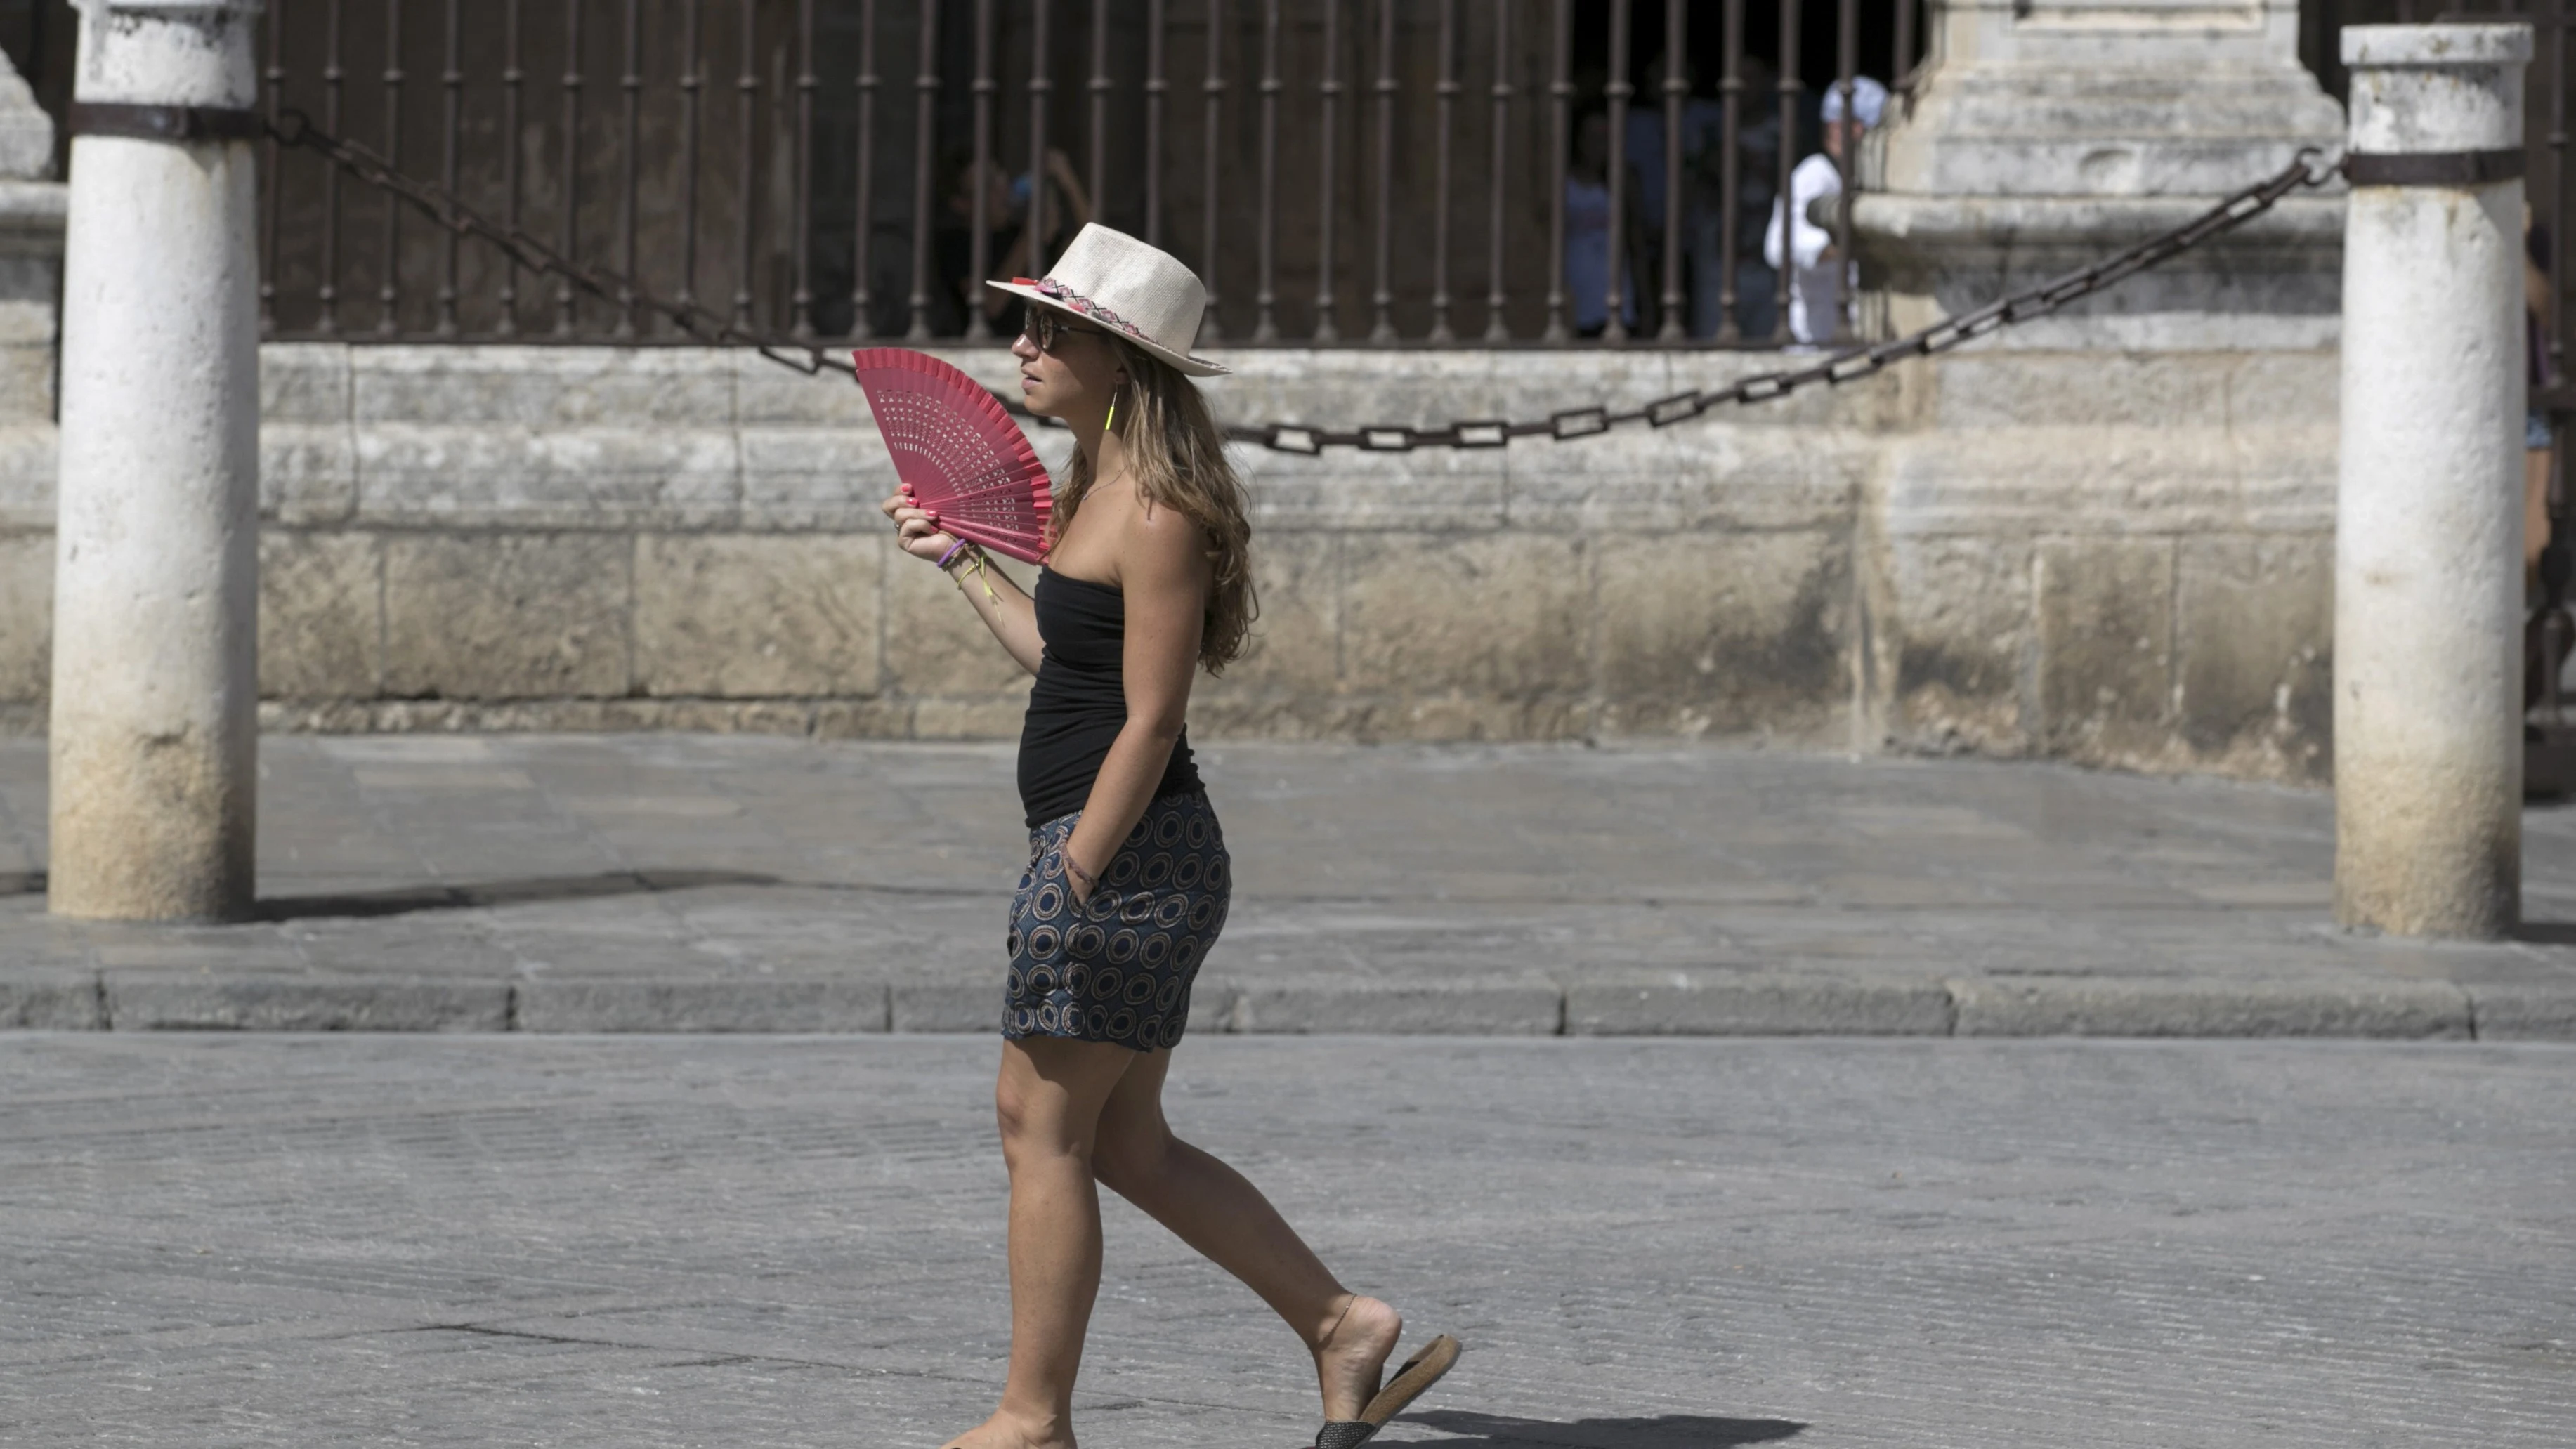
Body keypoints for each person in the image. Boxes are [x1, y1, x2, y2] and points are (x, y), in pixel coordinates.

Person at [881, 223, 1460, 1449]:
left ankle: (1033, 1417)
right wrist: (964, 564)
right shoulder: (1096, 481)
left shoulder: (1156, 509)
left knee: (1036, 1123)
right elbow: (1068, 667)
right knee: (1128, 1141)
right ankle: (1342, 1321)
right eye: (1028, 324)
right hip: (1117, 850)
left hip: (1131, 858)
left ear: (1116, 358)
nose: (1023, 346)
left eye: (1051, 331)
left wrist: (1074, 870)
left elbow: (1150, 719)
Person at [1763, 74, 1888, 346]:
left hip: (1862, 336)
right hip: (1816, 340)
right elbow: (1778, 246)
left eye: (1855, 123)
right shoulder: (1815, 174)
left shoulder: (1872, 178)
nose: (1839, 130)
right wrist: (1844, 247)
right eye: (1833, 120)